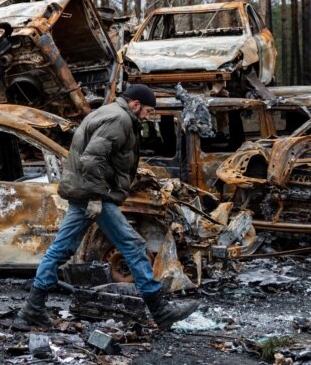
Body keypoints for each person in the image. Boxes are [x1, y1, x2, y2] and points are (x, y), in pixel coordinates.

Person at [17, 84, 199, 331]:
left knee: (61, 249)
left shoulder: (110, 112)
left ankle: (31, 309)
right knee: (133, 246)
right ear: (135, 104)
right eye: (147, 111)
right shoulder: (120, 119)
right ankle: (161, 311)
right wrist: (96, 197)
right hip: (95, 197)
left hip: (86, 194)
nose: (147, 116)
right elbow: (92, 159)